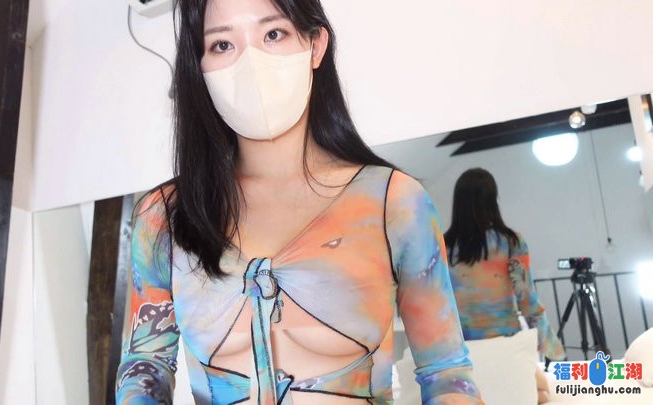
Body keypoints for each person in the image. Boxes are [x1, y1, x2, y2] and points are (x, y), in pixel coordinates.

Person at [115, 0, 482, 404]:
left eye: (273, 34)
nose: (250, 63)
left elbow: (446, 372)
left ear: (315, 45)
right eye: (222, 44)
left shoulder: (394, 203)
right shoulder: (164, 218)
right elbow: (146, 364)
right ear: (198, 65)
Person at [444, 168, 565, 403]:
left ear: (458, 203)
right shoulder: (512, 241)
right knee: (542, 392)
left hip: (460, 350)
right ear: (493, 200)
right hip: (506, 345)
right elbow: (526, 297)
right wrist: (550, 343)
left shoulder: (441, 245)